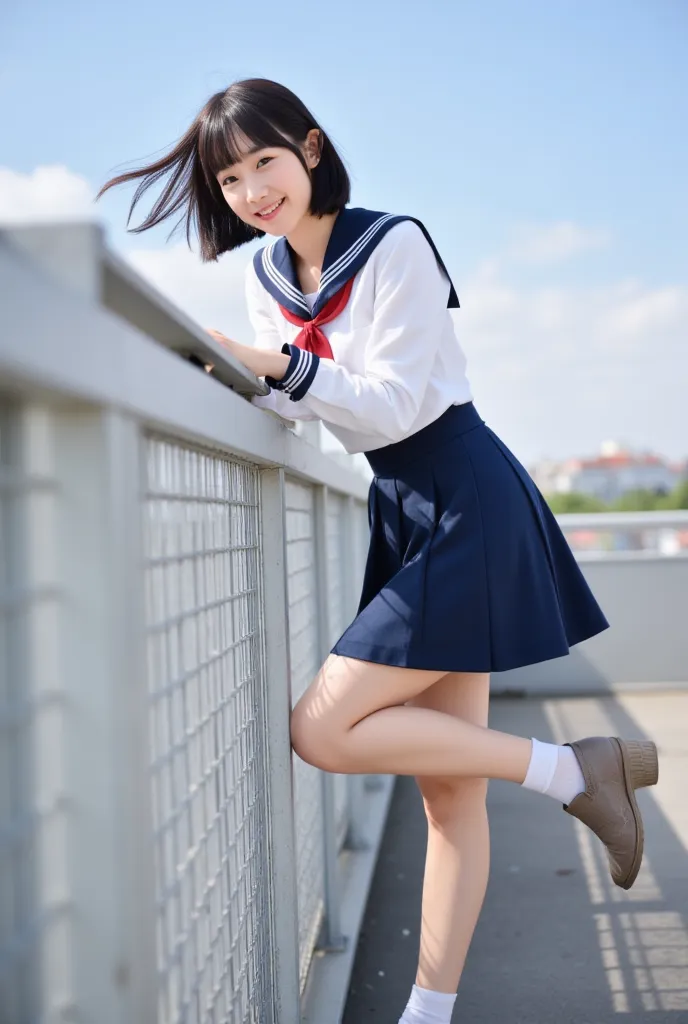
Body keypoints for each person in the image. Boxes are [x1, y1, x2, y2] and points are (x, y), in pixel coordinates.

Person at [97, 78, 659, 1024]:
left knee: (322, 729)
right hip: (401, 505)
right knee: (447, 795)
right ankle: (428, 1014)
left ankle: (574, 771)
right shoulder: (267, 273)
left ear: (310, 150)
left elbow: (394, 401)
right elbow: (304, 406)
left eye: (264, 163)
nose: (250, 191)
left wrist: (276, 364)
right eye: (228, 178)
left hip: (463, 491)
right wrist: (241, 373)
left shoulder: (394, 241)